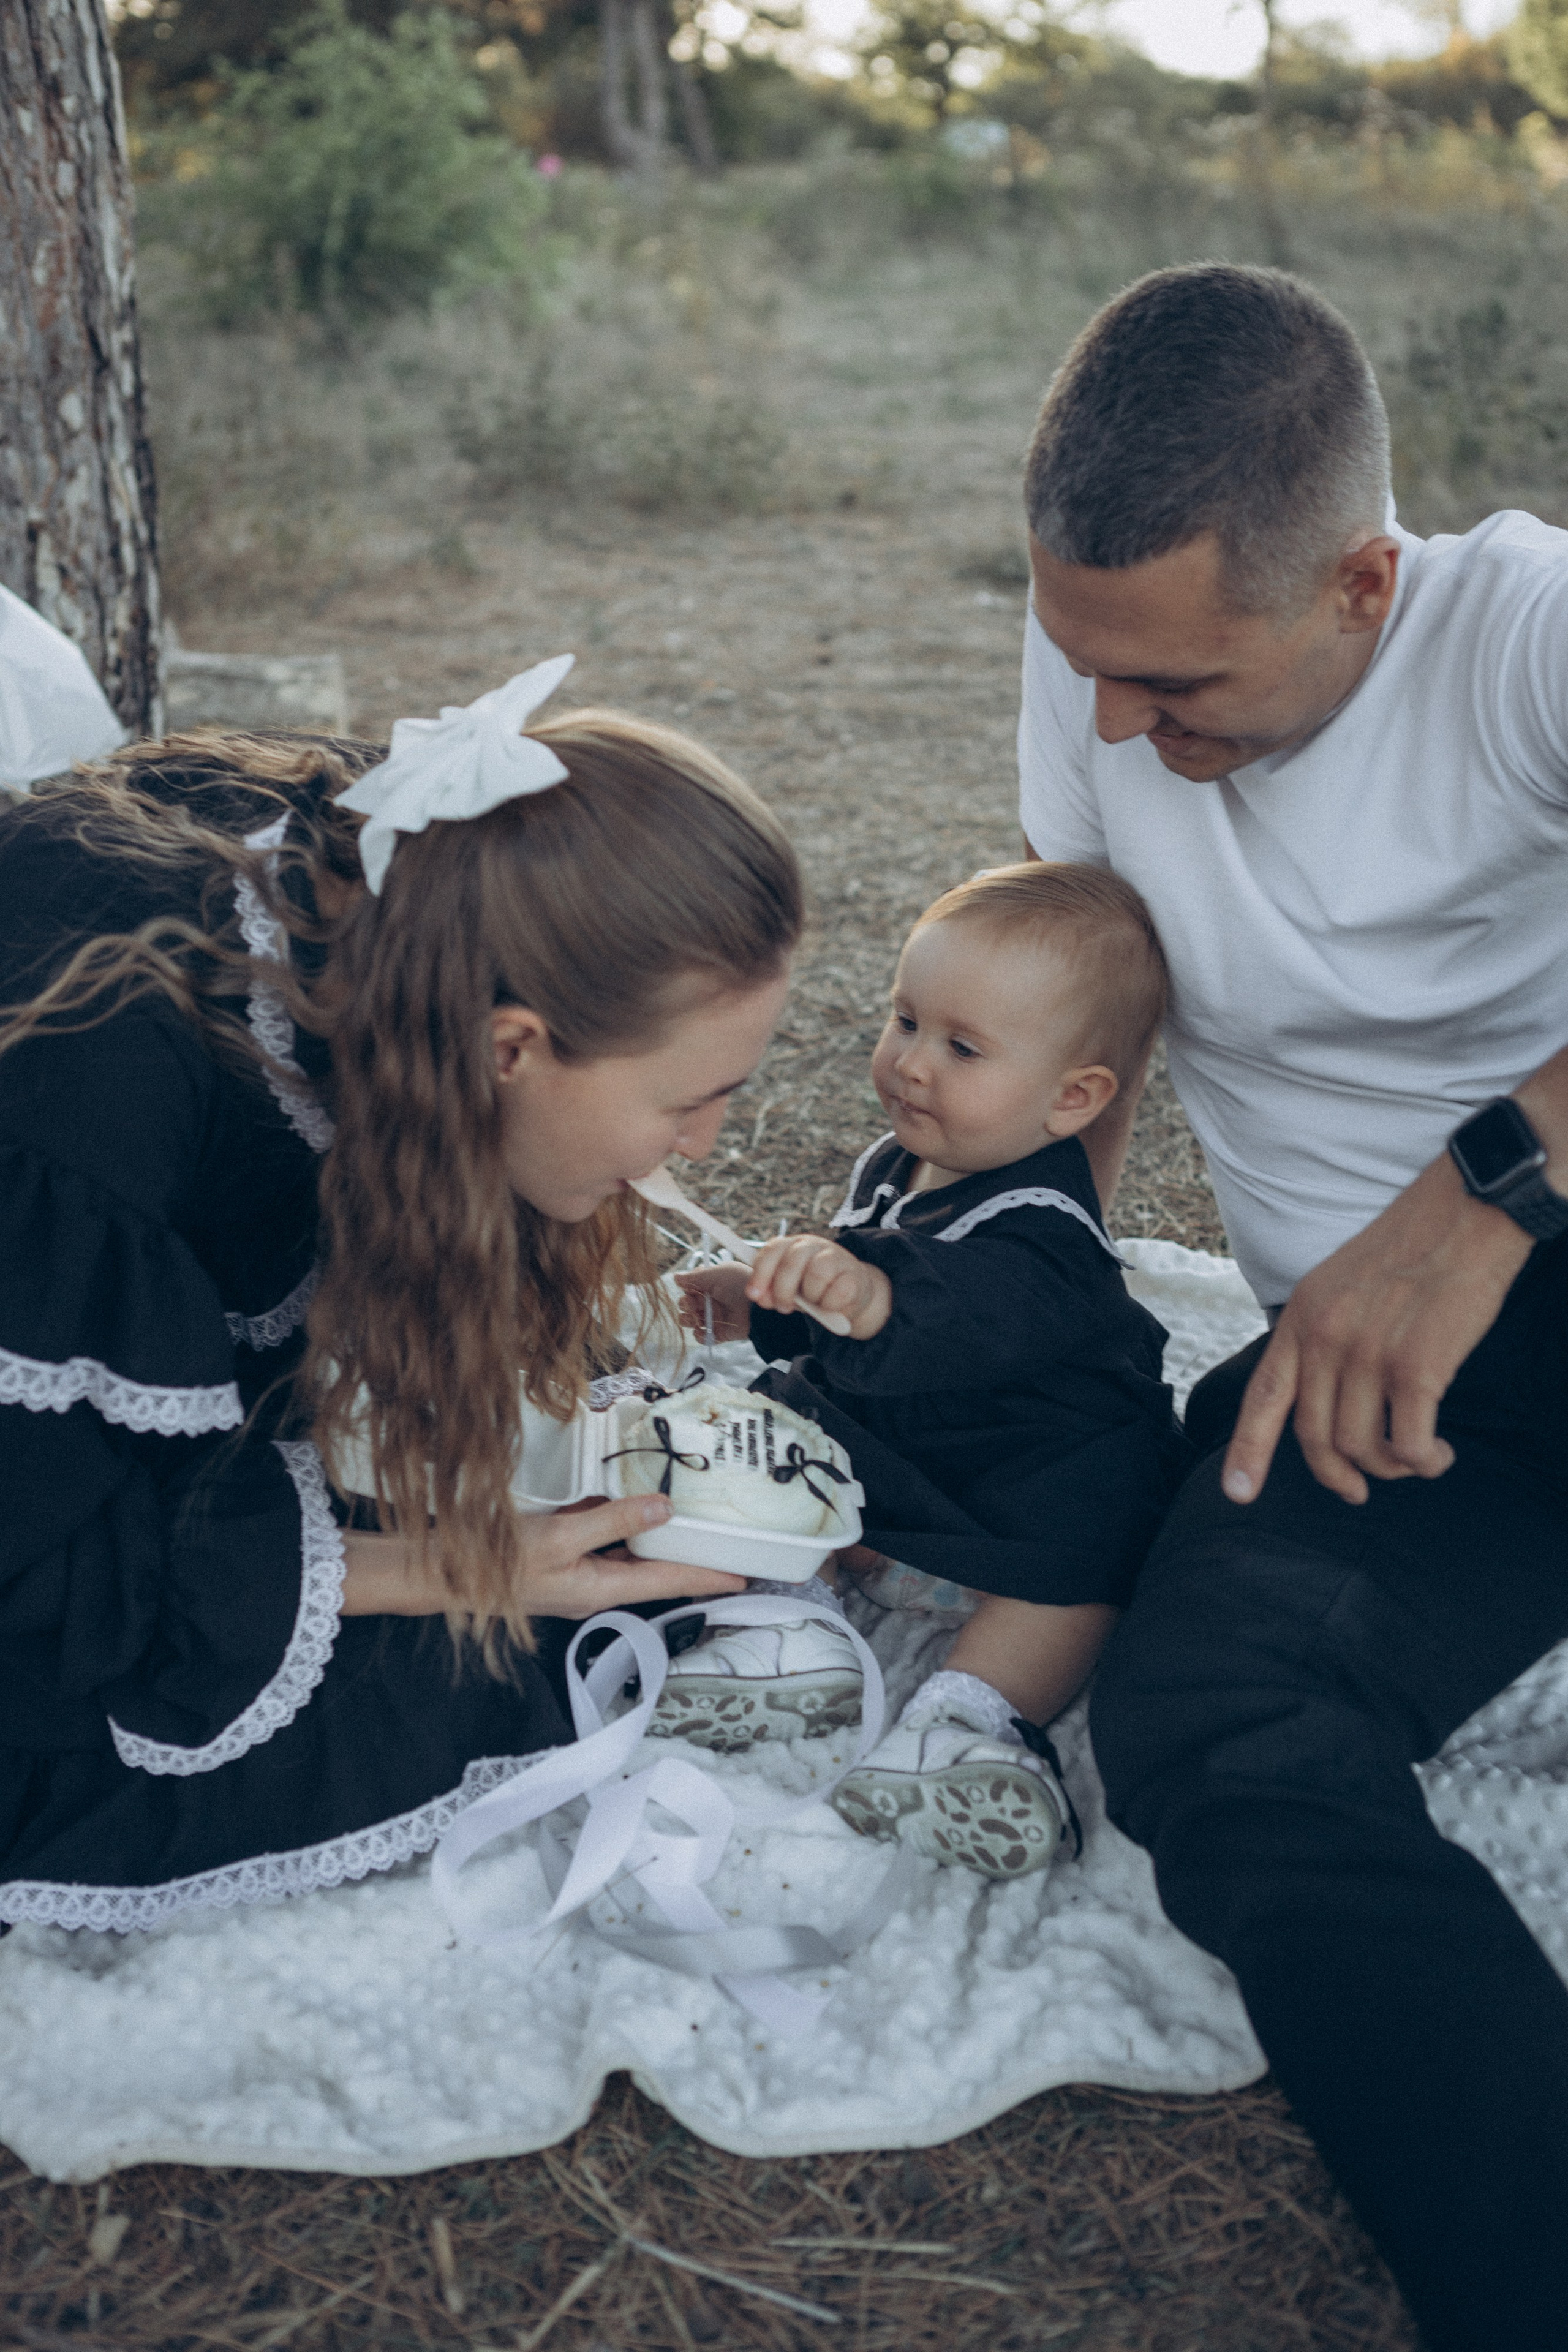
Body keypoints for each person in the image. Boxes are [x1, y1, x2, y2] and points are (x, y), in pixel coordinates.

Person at [1017, 262, 1568, 2352]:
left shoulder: (1525, 632)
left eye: (1176, 687)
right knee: (1206, 1726)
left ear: (1362, 583)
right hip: (1390, 1397)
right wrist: (1003, 1334)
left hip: (1532, 1251)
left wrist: (1487, 1195)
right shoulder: (1099, 658)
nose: (1115, 730)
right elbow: (1082, 1034)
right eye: (1089, 664)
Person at [0, 657, 811, 1933]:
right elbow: (41, 1581)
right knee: (474, 1667)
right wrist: (440, 1567)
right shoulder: (96, 1102)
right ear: (509, 1049)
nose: (702, 1148)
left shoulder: (430, 868)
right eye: (685, 1102)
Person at [665, 862, 1189, 1879]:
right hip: (902, 1448)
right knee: (773, 1442)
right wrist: (769, 1301)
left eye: (962, 1047)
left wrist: (872, 1297)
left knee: (1090, 1564)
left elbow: (968, 1314)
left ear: (1073, 1098)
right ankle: (795, 1635)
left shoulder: (1046, 1226)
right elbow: (853, 1290)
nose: (911, 1063)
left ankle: (966, 1724)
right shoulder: (898, 1159)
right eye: (906, 1020)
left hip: (1025, 1469)